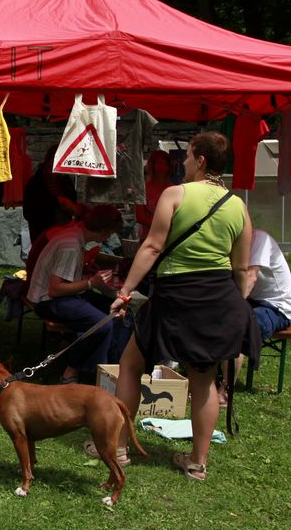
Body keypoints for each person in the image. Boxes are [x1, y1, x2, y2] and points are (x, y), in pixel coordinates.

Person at [110, 131, 258, 481]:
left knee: (131, 364)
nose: (185, 163)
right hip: (218, 298)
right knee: (203, 381)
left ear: (202, 160)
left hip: (175, 295)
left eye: (189, 157)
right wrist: (235, 306)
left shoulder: (175, 194)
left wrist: (126, 291)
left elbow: (151, 247)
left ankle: (118, 448)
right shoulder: (238, 206)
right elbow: (240, 268)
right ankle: (197, 463)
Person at [27, 205, 129, 384]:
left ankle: (111, 368)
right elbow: (55, 289)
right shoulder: (71, 245)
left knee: (117, 312)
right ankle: (71, 372)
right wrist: (91, 283)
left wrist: (115, 296)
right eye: (110, 233)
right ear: (104, 231)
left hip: (61, 297)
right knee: (101, 324)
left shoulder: (76, 235)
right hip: (48, 301)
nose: (109, 237)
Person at [218, 229, 291, 404]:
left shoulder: (261, 239)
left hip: (277, 307)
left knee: (238, 328)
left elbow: (250, 277)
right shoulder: (228, 243)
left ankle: (225, 392)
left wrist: (232, 309)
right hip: (254, 301)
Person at [22, 143, 80, 247]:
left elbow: (73, 202)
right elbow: (29, 212)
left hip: (64, 230)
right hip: (43, 232)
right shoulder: (36, 182)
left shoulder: (65, 181)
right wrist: (56, 201)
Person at [136, 150, 174, 238]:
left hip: (170, 238)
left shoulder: (174, 189)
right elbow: (139, 216)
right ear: (152, 165)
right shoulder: (142, 189)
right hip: (148, 237)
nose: (163, 167)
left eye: (166, 164)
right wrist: (162, 227)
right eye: (159, 164)